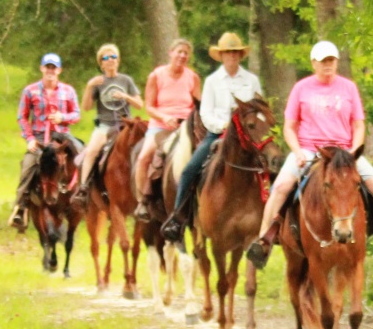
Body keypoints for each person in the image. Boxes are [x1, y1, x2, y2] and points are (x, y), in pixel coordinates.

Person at [245, 40, 373, 269]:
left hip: (344, 152)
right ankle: (264, 240)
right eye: (323, 61)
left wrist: (354, 150)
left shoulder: (348, 88)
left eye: (332, 61)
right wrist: (296, 152)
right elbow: (289, 126)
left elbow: (359, 125)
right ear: (314, 63)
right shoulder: (301, 88)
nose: (328, 66)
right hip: (309, 149)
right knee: (282, 186)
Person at [160, 32, 263, 244]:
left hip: (247, 136)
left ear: (240, 55)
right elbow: (206, 113)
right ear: (222, 56)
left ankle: (272, 221)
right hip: (218, 134)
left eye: (235, 53)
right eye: (228, 53)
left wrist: (255, 127)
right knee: (189, 170)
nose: (231, 57)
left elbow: (259, 109)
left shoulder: (251, 81)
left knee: (270, 166)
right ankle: (178, 217)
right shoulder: (212, 81)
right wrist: (223, 126)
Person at [9, 52, 81, 230]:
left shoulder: (68, 91)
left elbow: (76, 114)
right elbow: (22, 117)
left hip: (62, 136)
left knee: (82, 156)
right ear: (42, 68)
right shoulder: (30, 90)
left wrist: (62, 116)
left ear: (59, 70)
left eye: (54, 68)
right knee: (28, 165)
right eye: (47, 67)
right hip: (40, 138)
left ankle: (85, 199)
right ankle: (21, 208)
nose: (50, 71)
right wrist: (30, 139)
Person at [133, 38, 202, 220]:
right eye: (179, 51)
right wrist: (164, 117)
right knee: (144, 157)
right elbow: (148, 106)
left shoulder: (192, 77)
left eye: (186, 53)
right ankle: (143, 201)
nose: (182, 56)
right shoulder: (156, 76)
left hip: (185, 126)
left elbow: (198, 105)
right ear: (170, 53)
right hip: (160, 125)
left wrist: (190, 121)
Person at [74, 43, 143, 204]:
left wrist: (126, 97)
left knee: (144, 150)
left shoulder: (126, 80)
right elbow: (86, 107)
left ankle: (146, 190)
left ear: (118, 60)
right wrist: (89, 86)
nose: (110, 60)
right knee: (91, 151)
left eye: (113, 57)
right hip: (105, 125)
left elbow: (139, 104)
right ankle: (83, 187)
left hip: (126, 125)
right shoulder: (98, 82)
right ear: (101, 63)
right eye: (106, 58)